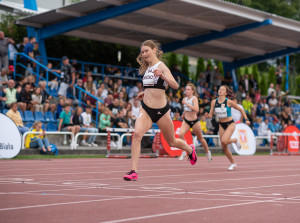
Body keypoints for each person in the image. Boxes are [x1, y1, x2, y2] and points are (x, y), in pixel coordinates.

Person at [123, 40, 197, 181]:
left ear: (154, 50)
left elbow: (175, 85)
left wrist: (163, 75)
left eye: (146, 51)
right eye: (142, 52)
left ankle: (189, 150)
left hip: (161, 111)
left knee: (172, 142)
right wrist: (144, 93)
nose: (144, 54)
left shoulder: (161, 66)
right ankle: (133, 171)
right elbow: (153, 87)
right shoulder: (147, 69)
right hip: (146, 109)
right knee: (137, 133)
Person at [206, 85, 250, 171]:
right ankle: (233, 163)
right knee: (224, 146)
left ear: (226, 93)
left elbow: (241, 109)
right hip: (221, 124)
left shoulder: (229, 102)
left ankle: (235, 140)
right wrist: (208, 116)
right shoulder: (214, 102)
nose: (220, 91)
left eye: (222, 90)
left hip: (230, 124)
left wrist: (246, 119)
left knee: (223, 141)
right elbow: (211, 115)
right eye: (219, 89)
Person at [178, 83, 212, 162]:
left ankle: (207, 152)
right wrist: (184, 113)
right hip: (186, 121)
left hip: (194, 121)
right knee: (180, 134)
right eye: (186, 89)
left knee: (200, 138)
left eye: (188, 89)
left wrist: (186, 103)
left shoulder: (194, 99)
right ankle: (184, 151)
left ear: (192, 91)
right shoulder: (185, 98)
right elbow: (187, 109)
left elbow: (196, 109)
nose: (186, 91)